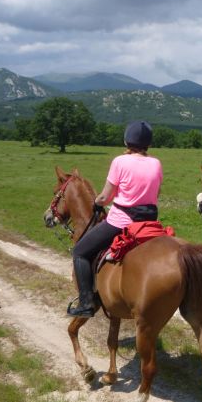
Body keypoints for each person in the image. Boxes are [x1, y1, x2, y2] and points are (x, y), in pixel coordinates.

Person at [67, 120, 163, 317]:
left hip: (121, 222)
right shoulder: (156, 163)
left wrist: (97, 202)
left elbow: (105, 196)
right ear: (148, 144)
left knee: (80, 251)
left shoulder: (119, 161)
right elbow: (156, 194)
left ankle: (86, 302)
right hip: (149, 223)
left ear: (127, 142)